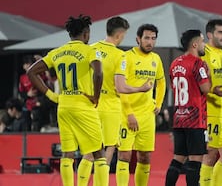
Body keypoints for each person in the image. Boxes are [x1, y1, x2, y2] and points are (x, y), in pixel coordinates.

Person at [26, 14, 109, 186]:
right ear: (86, 34)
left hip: (63, 106)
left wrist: (50, 95)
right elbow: (99, 73)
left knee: (68, 153)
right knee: (98, 153)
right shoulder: (90, 50)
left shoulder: (57, 52)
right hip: (83, 105)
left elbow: (31, 72)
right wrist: (96, 96)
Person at [79, 16, 152, 185]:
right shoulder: (120, 56)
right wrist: (141, 88)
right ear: (119, 35)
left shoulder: (91, 49)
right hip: (110, 109)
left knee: (89, 152)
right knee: (108, 150)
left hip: (90, 106)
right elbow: (121, 87)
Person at [116, 24, 166, 186]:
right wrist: (129, 113)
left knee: (145, 156)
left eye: (153, 38)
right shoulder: (126, 57)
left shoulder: (156, 59)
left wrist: (158, 103)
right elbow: (120, 88)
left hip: (147, 116)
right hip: (126, 115)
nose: (150, 42)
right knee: (124, 155)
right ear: (138, 39)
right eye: (146, 38)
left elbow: (162, 82)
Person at [165, 29, 211, 186]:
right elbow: (205, 88)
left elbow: (174, 86)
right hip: (195, 120)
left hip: (179, 118)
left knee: (178, 159)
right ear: (195, 44)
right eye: (203, 41)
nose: (204, 45)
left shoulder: (174, 63)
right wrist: (209, 77)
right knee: (195, 162)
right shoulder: (199, 63)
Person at [199, 19, 222, 186]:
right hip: (209, 111)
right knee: (210, 154)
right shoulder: (203, 52)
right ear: (209, 35)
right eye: (220, 32)